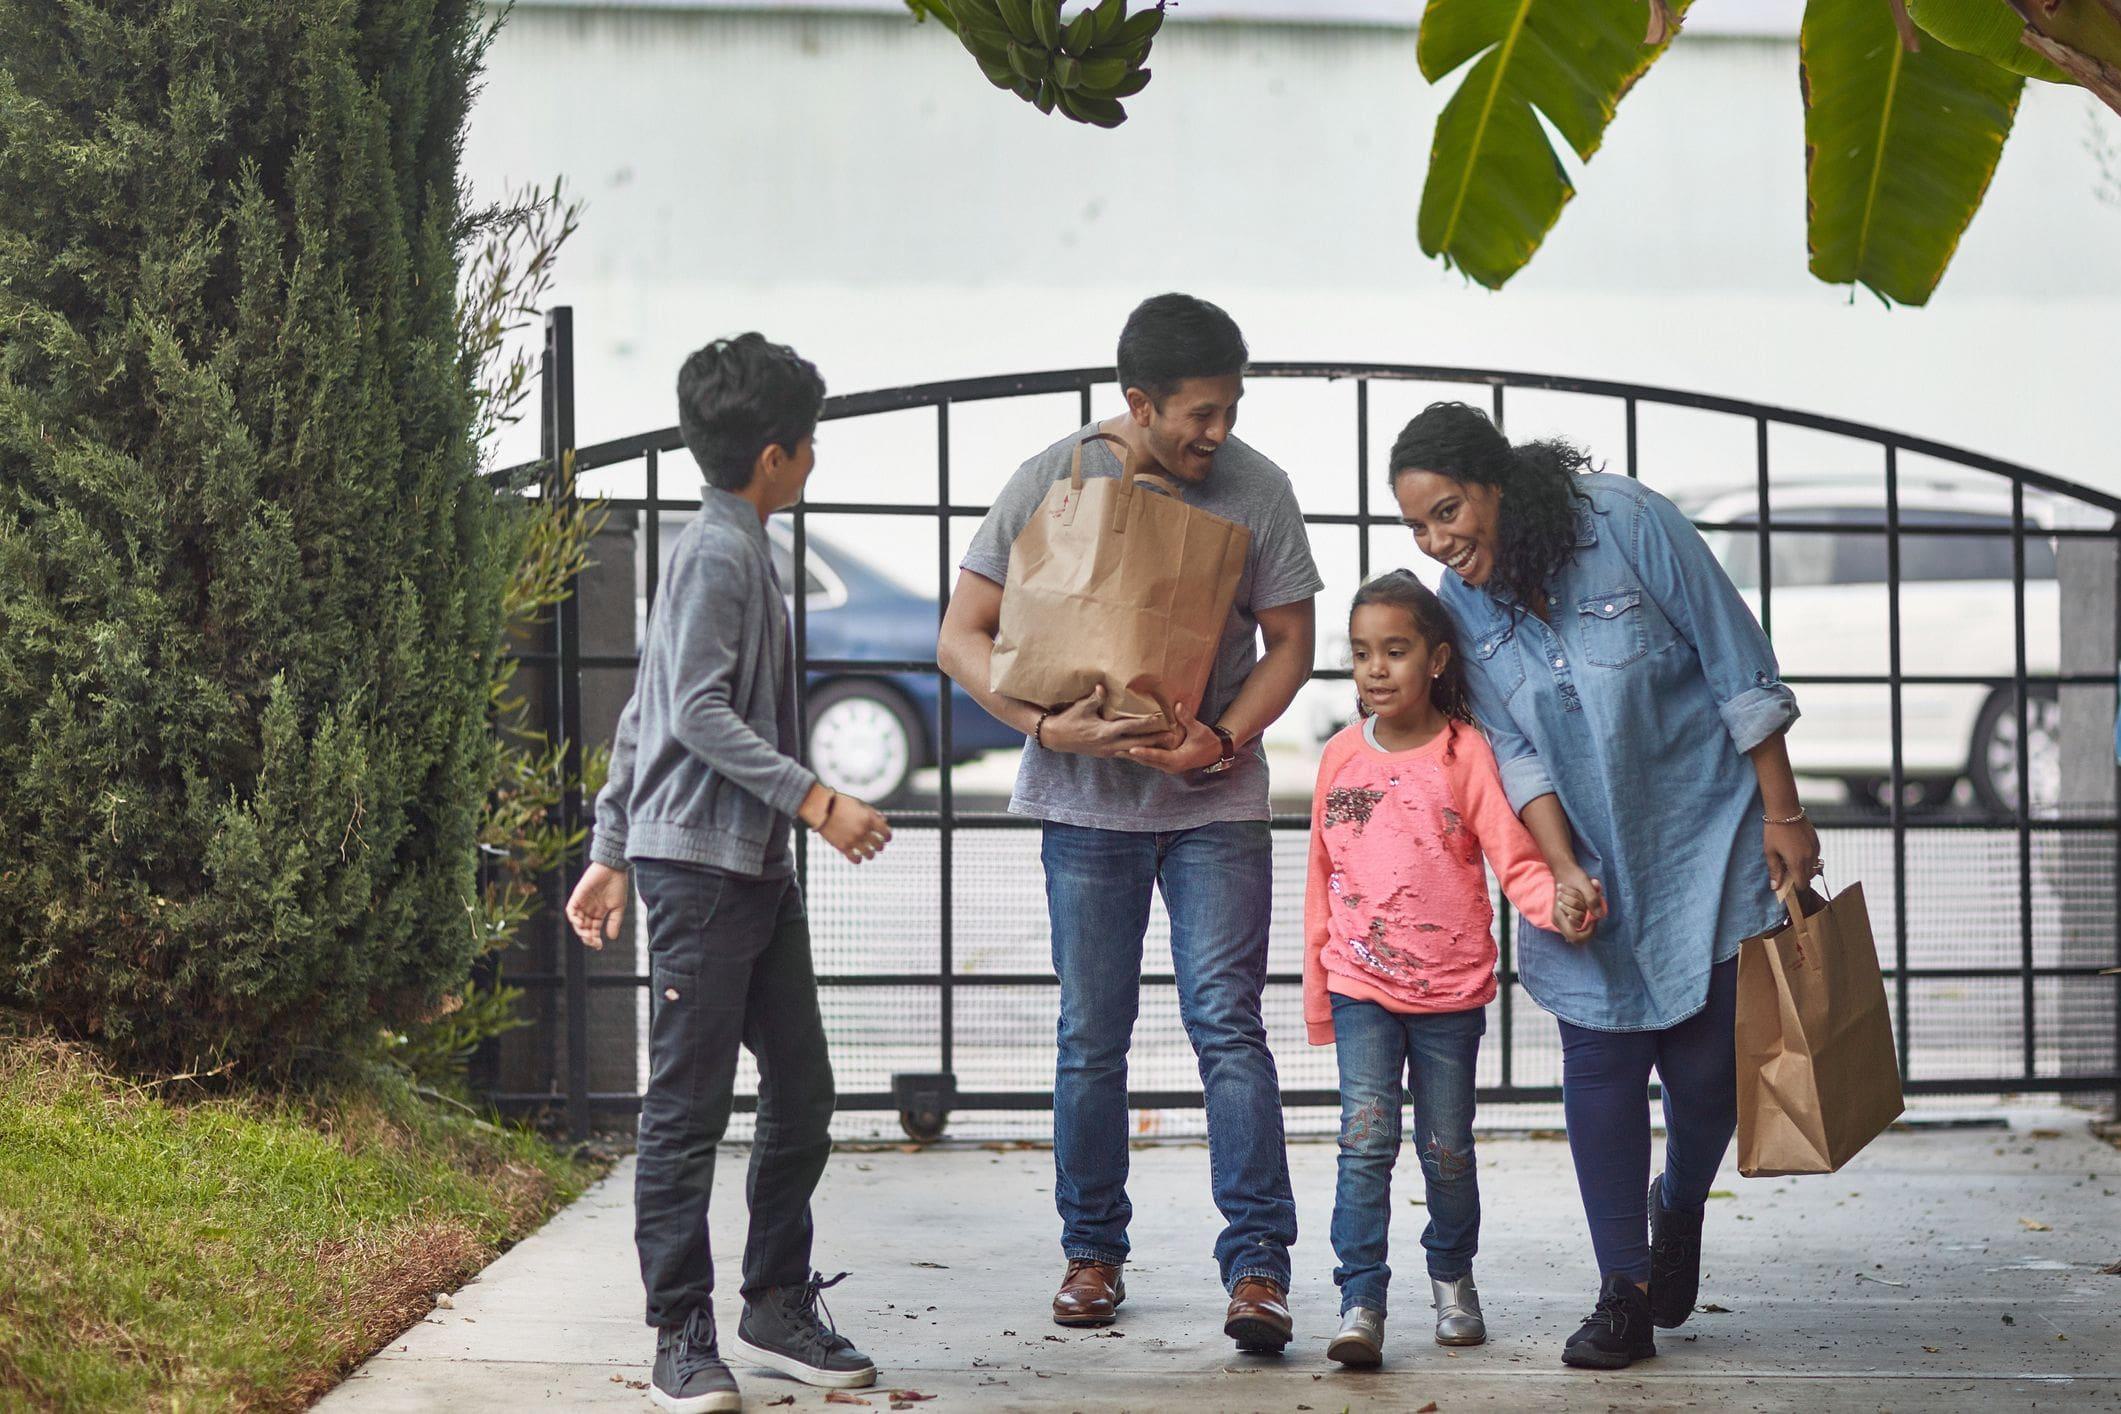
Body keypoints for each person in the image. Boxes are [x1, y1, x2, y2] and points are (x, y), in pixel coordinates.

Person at [1388, 401, 1816, 1371]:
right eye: (1418, 527)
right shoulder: (1459, 604)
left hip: (1707, 836)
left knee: (1707, 1078)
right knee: (1601, 1066)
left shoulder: (1626, 521)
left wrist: (1784, 813)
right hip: (1584, 860)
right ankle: (1622, 1290)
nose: (1439, 542)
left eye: (1448, 512)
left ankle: (1680, 1203)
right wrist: (1559, 866)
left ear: (1498, 483)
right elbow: (1513, 749)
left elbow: (1736, 662)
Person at [936, 293, 1321, 1353]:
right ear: (1139, 402)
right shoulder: (1051, 478)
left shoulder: (1258, 489)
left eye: (1230, 410)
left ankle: (1258, 1268)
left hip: (1215, 802)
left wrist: (1224, 739)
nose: (1218, 432)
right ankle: (1092, 1254)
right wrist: (1039, 726)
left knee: (1226, 1024)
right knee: (1089, 1033)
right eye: (1199, 413)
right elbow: (961, 634)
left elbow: (1292, 643)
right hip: (1084, 806)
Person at [565, 334, 891, 1413]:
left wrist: (609, 847)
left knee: (802, 1084)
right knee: (688, 1105)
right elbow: (693, 714)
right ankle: (680, 1328)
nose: (814, 459)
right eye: (809, 443)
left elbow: (644, 705)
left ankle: (775, 1301)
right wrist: (819, 801)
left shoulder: (731, 543)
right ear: (773, 457)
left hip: (747, 868)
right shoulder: (717, 553)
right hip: (702, 875)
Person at [1303, 570, 1600, 1368]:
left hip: (1449, 994)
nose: (1374, 669)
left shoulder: (1464, 753)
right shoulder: (1339, 758)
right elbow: (1321, 881)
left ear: (1436, 660)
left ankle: (1452, 1280)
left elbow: (1513, 856)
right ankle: (1359, 1300)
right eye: (1361, 652)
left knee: (1445, 1149)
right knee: (1364, 1142)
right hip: (1360, 985)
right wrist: (1319, 998)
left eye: (1395, 651)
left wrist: (1556, 905)